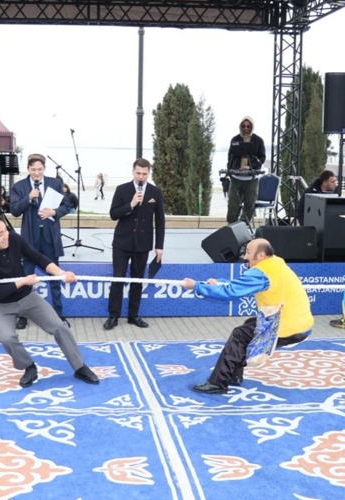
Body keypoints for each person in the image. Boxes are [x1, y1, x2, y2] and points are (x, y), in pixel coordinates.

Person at [0, 214, 99, 388]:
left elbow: (39, 258)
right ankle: (29, 366)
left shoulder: (15, 239)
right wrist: (23, 281)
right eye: (0, 234)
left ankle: (79, 366)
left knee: (59, 327)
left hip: (27, 297)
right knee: (7, 338)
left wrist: (61, 274)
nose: (6, 236)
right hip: (2, 305)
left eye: (6, 230)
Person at [180, 238, 314, 394]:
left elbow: (231, 292)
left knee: (239, 334)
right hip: (301, 323)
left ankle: (218, 383)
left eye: (249, 252)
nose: (244, 257)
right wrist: (219, 282)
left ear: (261, 255)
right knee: (248, 325)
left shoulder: (263, 273)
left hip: (288, 326)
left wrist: (196, 286)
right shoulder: (275, 264)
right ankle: (235, 375)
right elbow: (239, 284)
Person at [10, 153, 71, 329]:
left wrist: (54, 212)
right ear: (28, 169)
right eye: (33, 169)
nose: (37, 173)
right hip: (29, 239)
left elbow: (67, 206)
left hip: (50, 238)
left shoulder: (55, 183)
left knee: (55, 275)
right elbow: (14, 210)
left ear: (44, 168)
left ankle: (59, 314)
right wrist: (28, 198)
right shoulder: (20, 186)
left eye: (40, 169)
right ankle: (22, 316)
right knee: (26, 277)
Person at [104, 158, 165, 330]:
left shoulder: (155, 192)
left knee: (137, 280)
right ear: (133, 172)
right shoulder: (122, 189)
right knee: (118, 278)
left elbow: (160, 221)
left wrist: (159, 246)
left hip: (143, 244)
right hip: (122, 242)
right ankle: (113, 315)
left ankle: (133, 315)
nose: (141, 176)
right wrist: (130, 204)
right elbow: (113, 214)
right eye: (138, 173)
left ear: (149, 173)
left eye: (144, 174)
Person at [226, 116, 266, 224]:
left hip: (251, 179)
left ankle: (243, 225)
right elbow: (230, 157)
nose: (246, 128)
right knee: (232, 204)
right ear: (241, 126)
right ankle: (231, 226)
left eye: (248, 126)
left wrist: (251, 165)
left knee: (250, 204)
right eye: (243, 126)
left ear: (252, 127)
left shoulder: (258, 141)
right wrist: (236, 167)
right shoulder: (235, 140)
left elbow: (262, 158)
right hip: (236, 178)